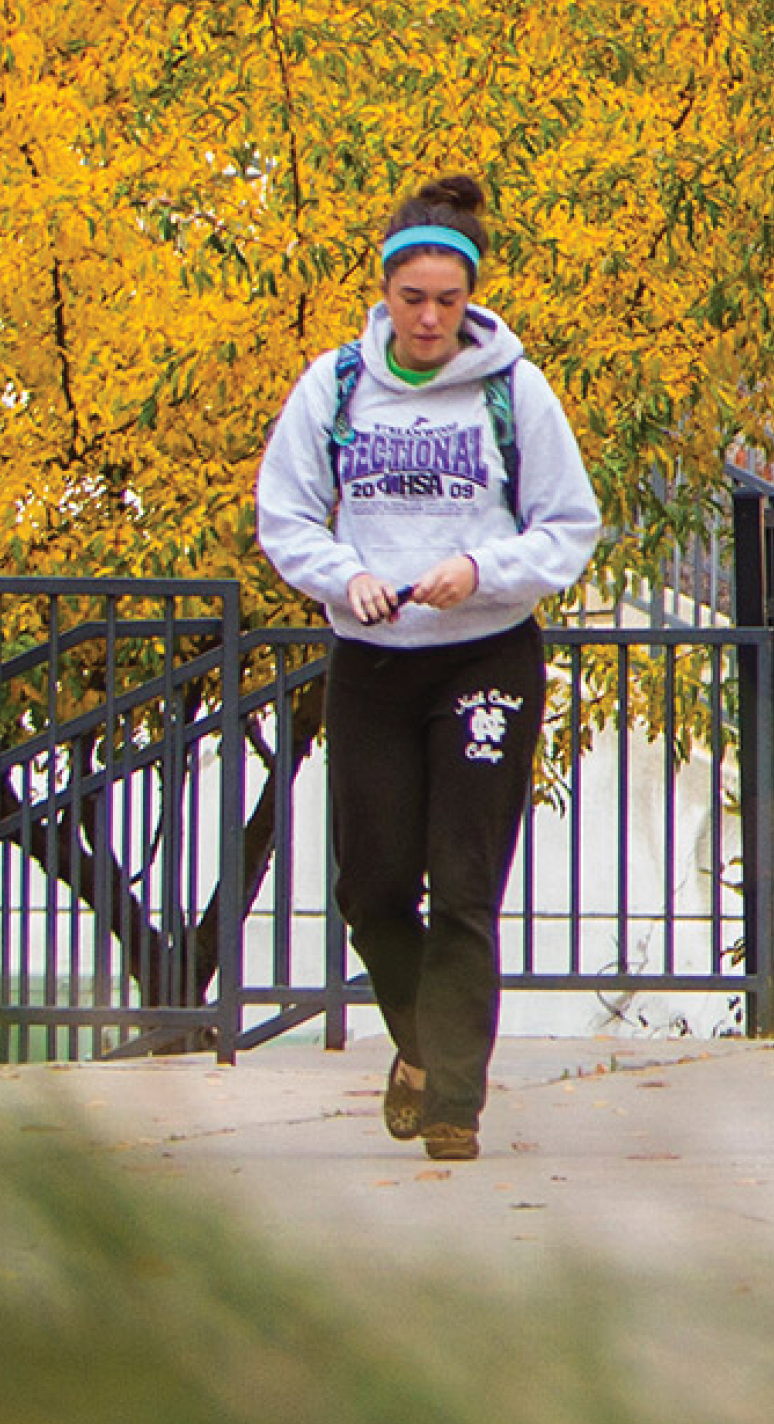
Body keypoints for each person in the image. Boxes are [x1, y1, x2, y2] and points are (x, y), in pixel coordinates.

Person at [251, 174, 605, 1163]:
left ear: (471, 298)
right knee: (370, 889)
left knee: (462, 889)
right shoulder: (333, 387)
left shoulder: (513, 389)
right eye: (414, 299)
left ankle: (454, 1100)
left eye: (449, 301)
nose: (431, 319)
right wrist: (345, 574)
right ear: (386, 293)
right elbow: (283, 515)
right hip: (373, 658)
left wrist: (482, 569)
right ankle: (420, 1043)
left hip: (484, 656)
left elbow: (570, 526)